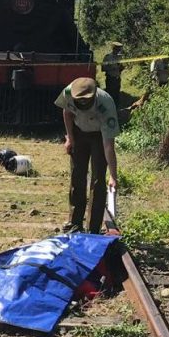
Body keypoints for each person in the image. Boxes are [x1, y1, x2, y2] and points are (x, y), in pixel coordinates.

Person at [55, 77, 120, 234]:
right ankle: (75, 222)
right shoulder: (69, 92)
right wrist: (70, 137)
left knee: (98, 180)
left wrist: (113, 175)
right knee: (77, 175)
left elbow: (108, 146)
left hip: (99, 136)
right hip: (79, 132)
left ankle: (93, 228)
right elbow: (67, 113)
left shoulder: (106, 104)